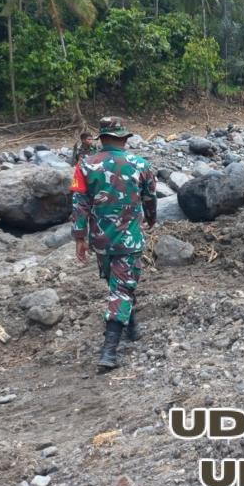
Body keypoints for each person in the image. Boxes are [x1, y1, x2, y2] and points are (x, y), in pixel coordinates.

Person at [70, 117, 157, 370]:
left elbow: (78, 204)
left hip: (100, 239)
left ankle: (132, 327)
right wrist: (151, 219)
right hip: (129, 238)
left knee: (118, 284)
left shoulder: (85, 165)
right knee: (121, 287)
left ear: (102, 138)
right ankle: (109, 352)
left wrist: (79, 237)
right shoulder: (140, 164)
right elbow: (150, 198)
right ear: (124, 138)